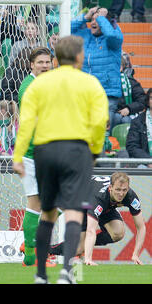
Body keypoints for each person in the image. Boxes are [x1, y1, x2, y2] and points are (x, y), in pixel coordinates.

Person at [12, 36, 109, 284]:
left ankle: (41, 275)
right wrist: (95, 151)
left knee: (48, 211)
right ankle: (66, 272)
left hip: (44, 151)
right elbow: (99, 121)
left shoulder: (40, 85)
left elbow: (26, 124)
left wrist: (17, 154)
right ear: (79, 57)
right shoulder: (89, 83)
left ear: (56, 59)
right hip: (76, 151)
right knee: (74, 212)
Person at [49, 173, 147, 265]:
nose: (121, 194)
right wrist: (88, 259)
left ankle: (86, 245)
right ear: (110, 188)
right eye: (118, 190)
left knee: (118, 233)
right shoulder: (99, 197)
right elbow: (91, 231)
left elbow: (141, 227)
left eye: (124, 190)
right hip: (84, 201)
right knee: (78, 248)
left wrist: (136, 254)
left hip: (107, 206)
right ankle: (48, 250)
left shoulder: (130, 196)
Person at [16, 47, 54, 267]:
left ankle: (31, 247)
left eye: (47, 62)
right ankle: (33, 253)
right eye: (40, 62)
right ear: (31, 64)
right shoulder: (28, 88)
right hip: (34, 153)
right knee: (36, 203)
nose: (44, 66)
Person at [71, 6, 123, 134]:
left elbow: (110, 34)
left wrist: (101, 17)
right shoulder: (85, 35)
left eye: (98, 20)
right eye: (92, 20)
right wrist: (85, 17)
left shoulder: (114, 35)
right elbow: (65, 30)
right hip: (85, 94)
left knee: (101, 135)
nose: (94, 22)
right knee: (82, 133)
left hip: (106, 94)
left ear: (106, 22)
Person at [126, 88, 152, 169]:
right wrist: (148, 161)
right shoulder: (137, 121)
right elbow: (132, 146)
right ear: (148, 101)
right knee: (141, 168)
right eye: (151, 98)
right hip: (145, 163)